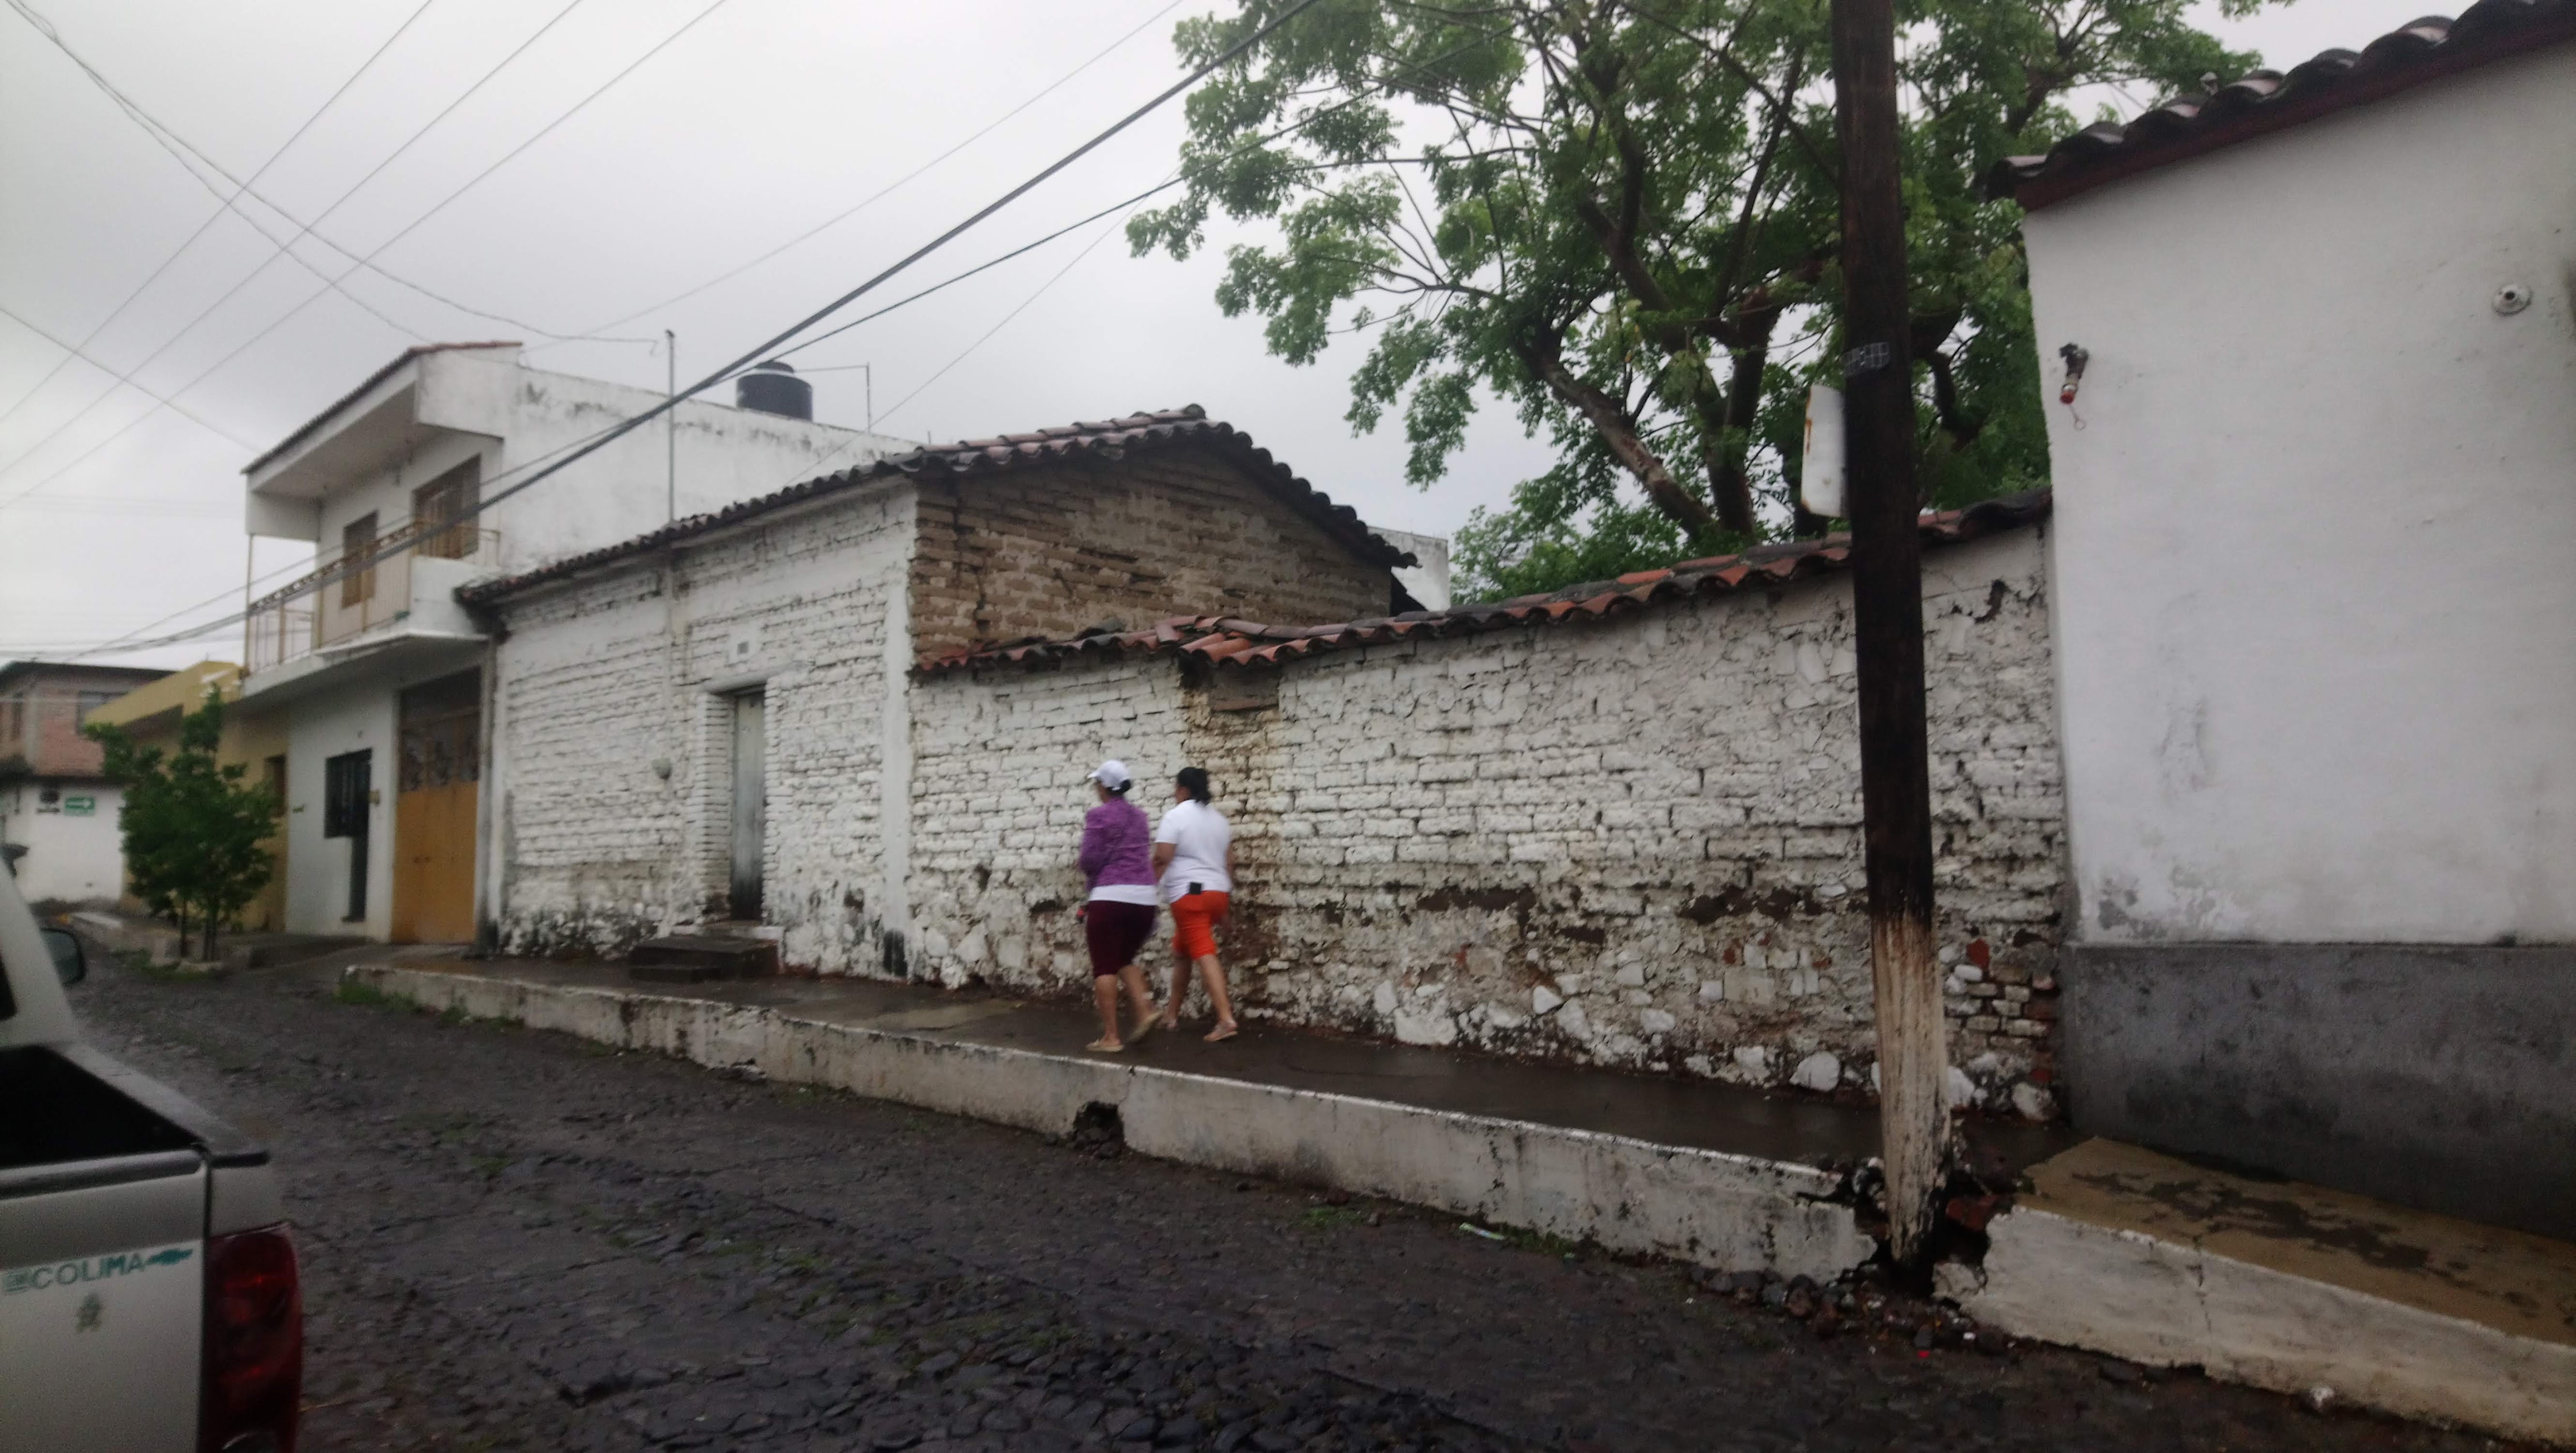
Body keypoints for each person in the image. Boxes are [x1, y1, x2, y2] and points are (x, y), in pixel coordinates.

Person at [1076, 761, 1161, 1052]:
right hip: (1145, 901)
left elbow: (1088, 860)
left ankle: (1111, 1037)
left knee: (1104, 966)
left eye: (1096, 784)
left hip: (1110, 897)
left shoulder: (1098, 816)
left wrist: (1093, 875)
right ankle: (1146, 1010)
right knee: (1124, 956)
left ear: (1104, 787)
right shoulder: (1140, 817)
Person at [1154, 765, 1239, 1043]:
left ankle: (1225, 1019)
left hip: (1190, 896)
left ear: (1183, 789)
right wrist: (1224, 911)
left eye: (1176, 788)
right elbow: (1230, 864)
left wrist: (1146, 887)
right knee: (1182, 951)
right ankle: (1171, 1015)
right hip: (1217, 895)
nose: (1174, 794)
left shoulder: (1176, 816)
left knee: (1203, 952)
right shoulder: (1220, 820)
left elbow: (1162, 857)